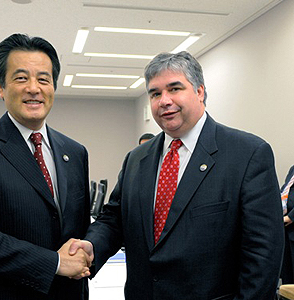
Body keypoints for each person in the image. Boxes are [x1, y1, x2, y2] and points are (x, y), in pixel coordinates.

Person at [70, 51, 284, 299]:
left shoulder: (247, 154)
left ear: (200, 91)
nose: (164, 101)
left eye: (174, 89)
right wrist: (91, 247)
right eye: (155, 93)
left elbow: (263, 254)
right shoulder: (136, 159)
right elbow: (114, 219)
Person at [0, 33, 92, 300]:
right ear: (1, 87)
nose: (34, 88)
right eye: (21, 78)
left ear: (53, 88)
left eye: (43, 79)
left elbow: (79, 228)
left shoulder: (75, 151)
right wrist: (55, 264)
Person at [281, 165, 294, 284]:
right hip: (286, 232)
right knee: (287, 278)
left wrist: (290, 217)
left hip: (290, 223)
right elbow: (284, 192)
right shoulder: (293, 169)